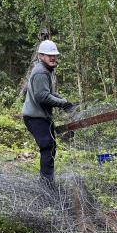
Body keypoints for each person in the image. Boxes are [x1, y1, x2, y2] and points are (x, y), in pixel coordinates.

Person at [22, 40, 76, 185]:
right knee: (47, 147)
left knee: (50, 147)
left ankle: (47, 181)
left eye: (54, 55)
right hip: (35, 118)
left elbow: (48, 92)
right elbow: (42, 97)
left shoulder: (45, 70)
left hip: (40, 116)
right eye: (49, 55)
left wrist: (63, 100)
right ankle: (46, 185)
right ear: (40, 56)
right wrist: (62, 103)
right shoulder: (41, 72)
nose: (53, 58)